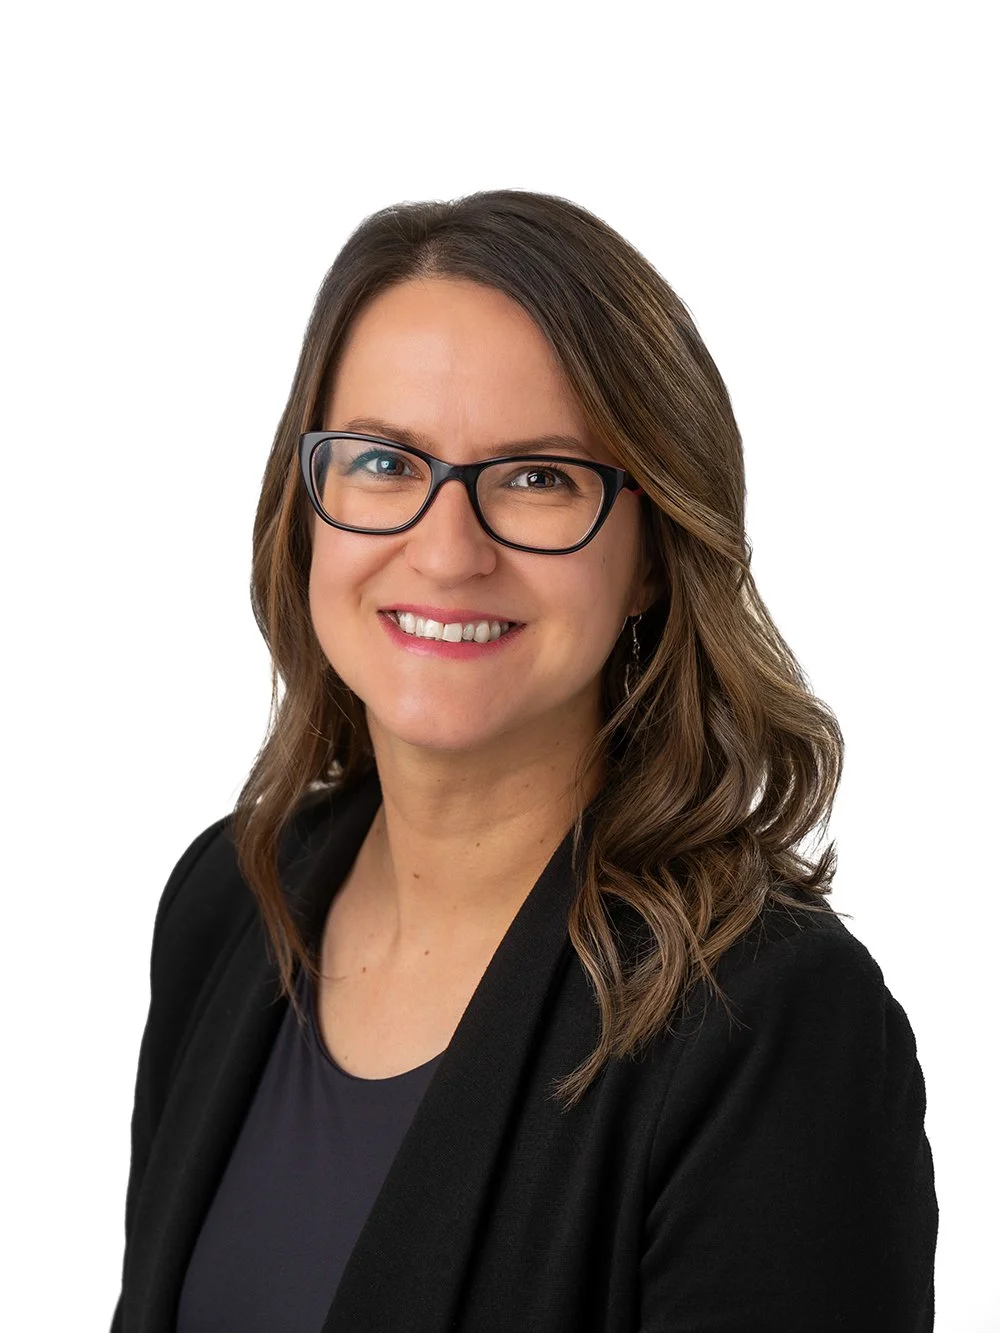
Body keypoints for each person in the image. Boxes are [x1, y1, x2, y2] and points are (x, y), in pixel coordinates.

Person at [110, 189, 937, 1332]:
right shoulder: (229, 903)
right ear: (306, 509)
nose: (447, 551)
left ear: (651, 555)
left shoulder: (768, 1024)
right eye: (386, 463)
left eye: (540, 477)